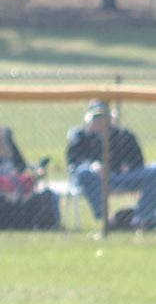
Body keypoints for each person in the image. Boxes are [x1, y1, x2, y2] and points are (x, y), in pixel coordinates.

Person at [0, 106, 59, 230]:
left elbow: (21, 164)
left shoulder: (5, 140)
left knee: (46, 195)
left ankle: (43, 225)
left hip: (15, 184)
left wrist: (16, 173)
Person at [66, 99, 156, 231]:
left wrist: (129, 166)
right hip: (96, 179)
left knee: (153, 171)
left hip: (123, 177)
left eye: (103, 117)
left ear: (110, 118)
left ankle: (141, 219)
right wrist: (92, 166)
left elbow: (138, 160)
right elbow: (73, 161)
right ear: (89, 119)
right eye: (96, 118)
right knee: (84, 172)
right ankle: (106, 220)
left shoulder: (124, 135)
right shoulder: (80, 136)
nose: (100, 121)